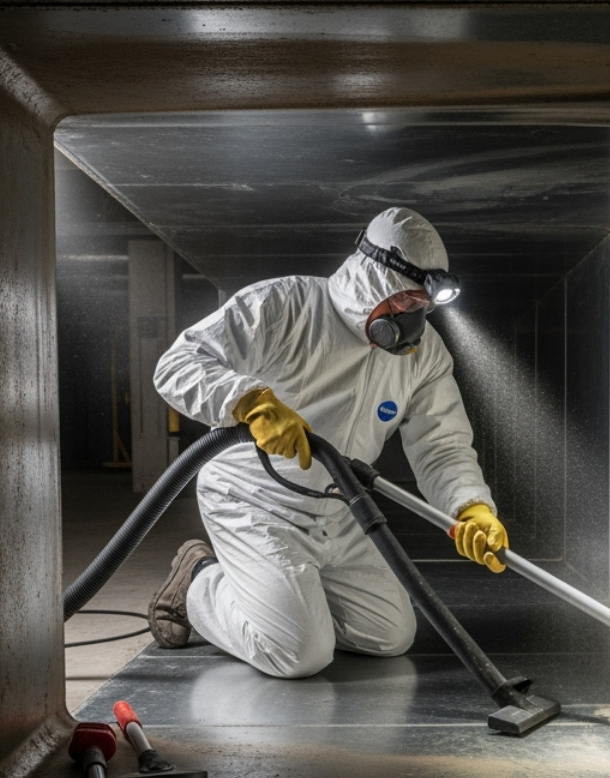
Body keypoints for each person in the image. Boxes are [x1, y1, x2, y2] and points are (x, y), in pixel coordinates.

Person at [148, 207, 508, 679]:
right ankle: (198, 581)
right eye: (404, 302)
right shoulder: (285, 306)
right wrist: (246, 401)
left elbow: (441, 443)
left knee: (390, 635)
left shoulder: (424, 356)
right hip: (256, 502)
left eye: (423, 307)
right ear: (373, 281)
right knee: (300, 655)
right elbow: (176, 365)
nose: (413, 321)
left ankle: (285, 601)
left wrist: (471, 507)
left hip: (338, 510)